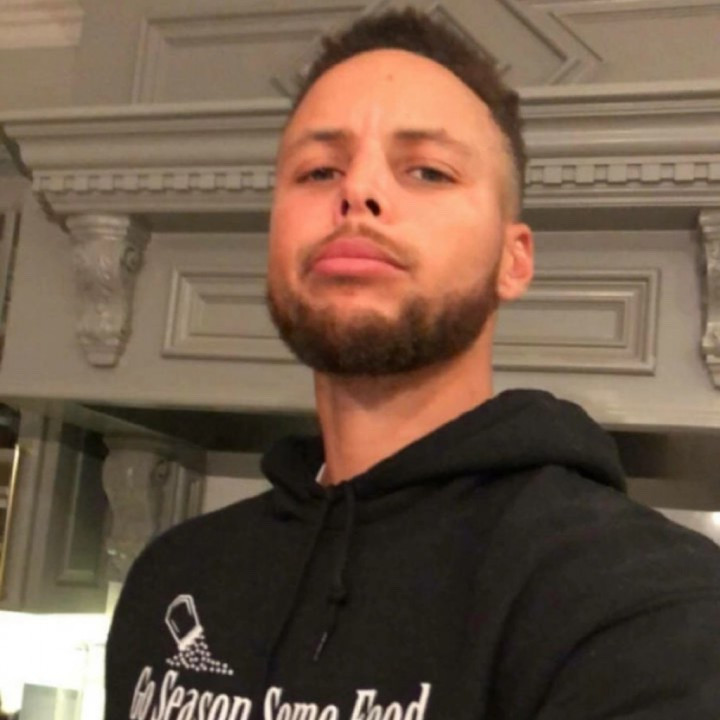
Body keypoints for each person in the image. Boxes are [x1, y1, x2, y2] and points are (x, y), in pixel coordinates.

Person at [105, 8, 720, 720]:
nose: (356, 193)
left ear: (513, 259)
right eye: (318, 170)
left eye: (428, 170)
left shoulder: (646, 608)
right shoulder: (171, 580)